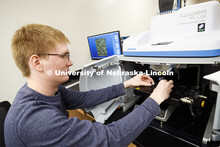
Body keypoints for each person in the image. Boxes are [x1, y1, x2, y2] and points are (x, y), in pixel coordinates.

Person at [4, 24, 174, 147]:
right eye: (64, 56)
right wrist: (155, 99)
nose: (70, 63)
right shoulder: (36, 120)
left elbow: (87, 97)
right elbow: (111, 138)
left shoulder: (47, 92)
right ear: (37, 62)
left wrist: (127, 83)